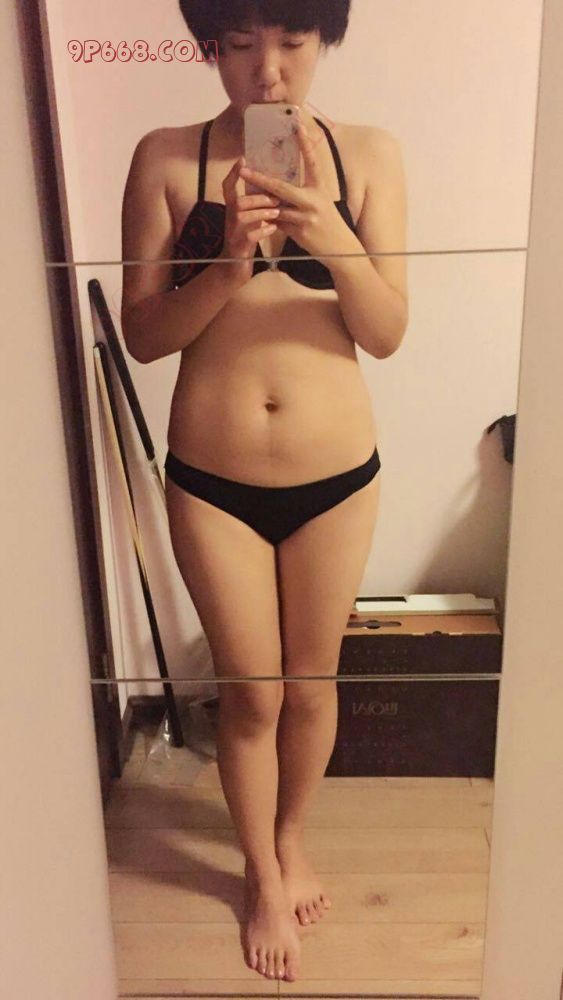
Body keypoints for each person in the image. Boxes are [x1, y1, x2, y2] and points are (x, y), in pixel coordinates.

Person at [120, 0, 408, 983]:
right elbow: (144, 336)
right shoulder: (166, 158)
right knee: (250, 694)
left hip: (337, 477)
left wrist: (329, 233)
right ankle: (258, 870)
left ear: (324, 38)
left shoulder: (369, 155)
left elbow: (385, 331)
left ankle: (288, 840)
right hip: (212, 478)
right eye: (239, 43)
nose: (267, 70)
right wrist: (227, 266)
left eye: (290, 40)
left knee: (312, 682)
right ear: (211, 45)